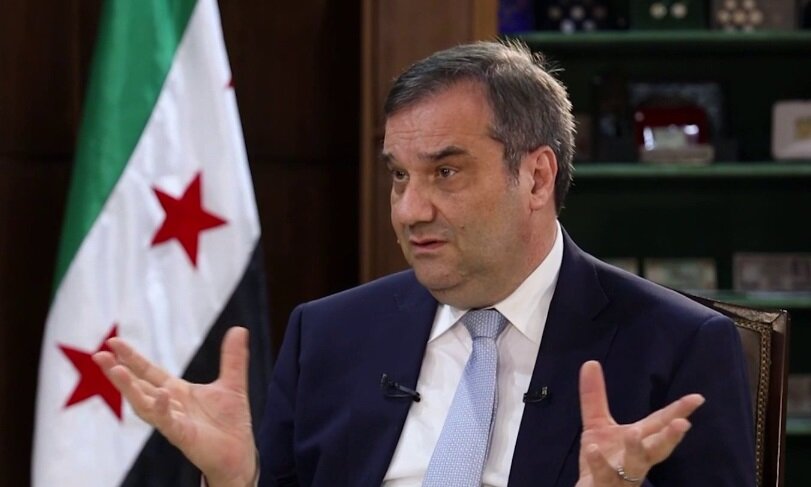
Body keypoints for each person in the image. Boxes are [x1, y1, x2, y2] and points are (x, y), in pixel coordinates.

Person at [94, 41, 754, 486]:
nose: (410, 211)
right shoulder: (326, 336)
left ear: (535, 176)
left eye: (445, 172)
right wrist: (235, 481)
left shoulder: (676, 347)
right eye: (399, 176)